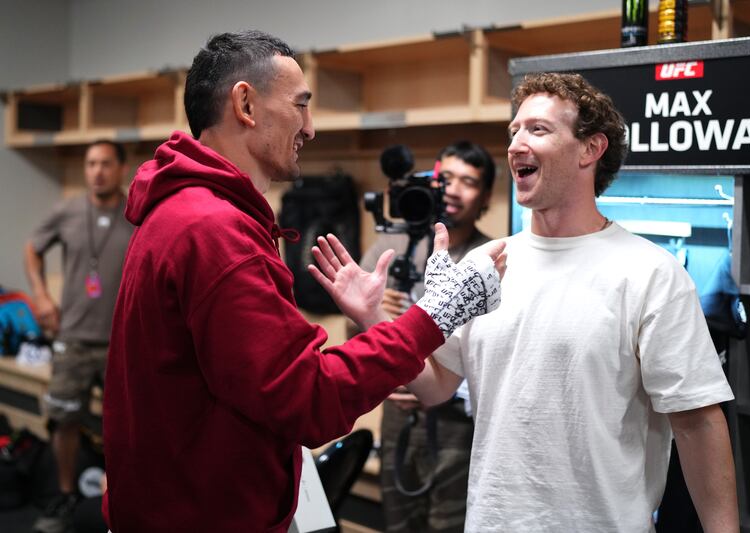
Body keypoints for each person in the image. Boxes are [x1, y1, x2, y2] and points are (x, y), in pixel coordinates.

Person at [101, 30, 506, 533]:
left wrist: (378, 320)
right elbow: (308, 399)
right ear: (245, 103)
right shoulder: (215, 231)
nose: (310, 129)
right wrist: (433, 317)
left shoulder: (184, 211)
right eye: (300, 106)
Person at [406, 72, 739, 532]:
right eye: (514, 131)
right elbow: (436, 384)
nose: (516, 144)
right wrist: (371, 318)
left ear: (590, 149)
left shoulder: (651, 273)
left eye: (537, 130)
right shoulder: (485, 266)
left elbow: (698, 422)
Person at [352, 141, 495, 533]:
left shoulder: (488, 258)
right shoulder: (392, 247)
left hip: (456, 427)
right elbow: (355, 331)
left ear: (484, 198)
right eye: (445, 178)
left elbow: (488, 351)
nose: (452, 189)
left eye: (468, 182)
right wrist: (375, 311)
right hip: (397, 415)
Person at [23, 139, 134, 533]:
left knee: (124, 426)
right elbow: (32, 249)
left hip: (122, 343)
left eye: (105, 163)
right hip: (72, 337)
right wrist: (40, 295)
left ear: (121, 168)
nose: (96, 171)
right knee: (63, 421)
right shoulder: (67, 211)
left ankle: (118, 500)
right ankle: (66, 497)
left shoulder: (136, 211)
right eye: (90, 164)